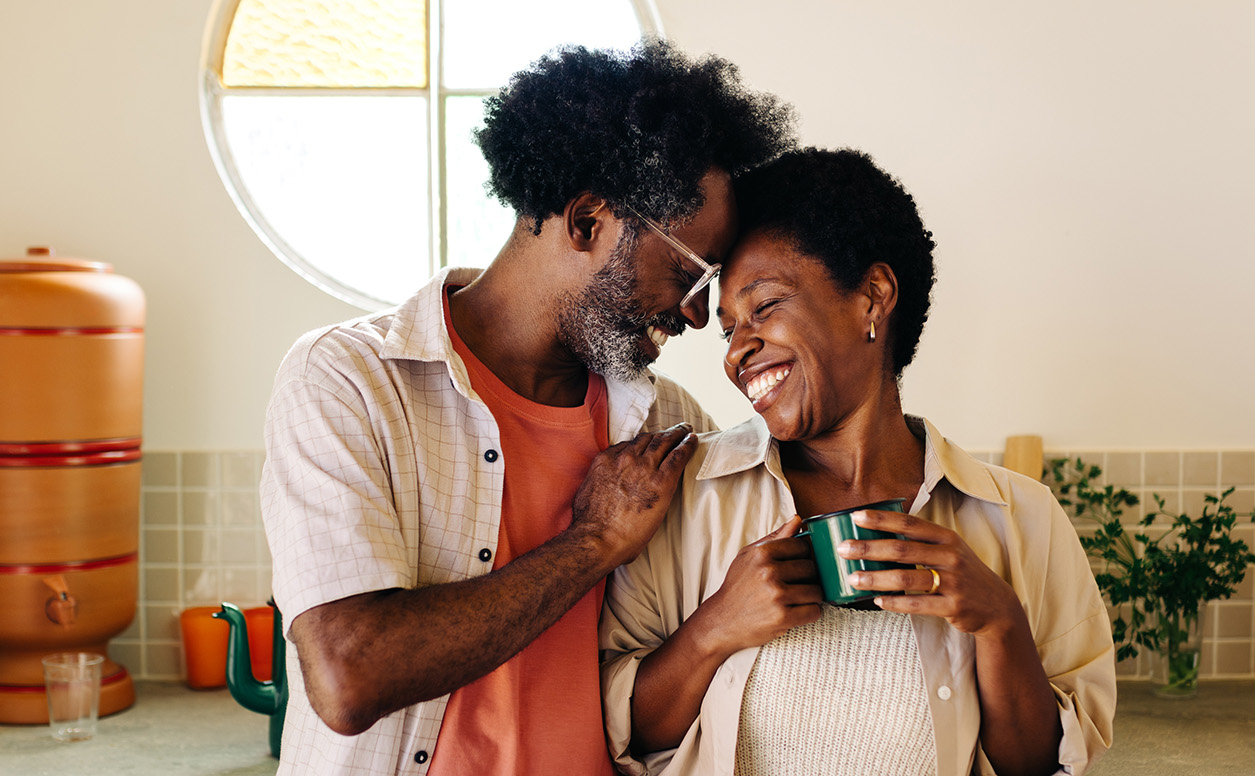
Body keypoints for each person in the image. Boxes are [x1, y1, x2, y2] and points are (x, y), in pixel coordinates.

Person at [259, 41, 795, 776]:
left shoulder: (666, 423)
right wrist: (593, 541)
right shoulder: (349, 380)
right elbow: (349, 676)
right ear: (587, 220)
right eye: (687, 274)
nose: (698, 316)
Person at [600, 148, 1115, 776]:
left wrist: (999, 622)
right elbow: (622, 735)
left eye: (765, 307)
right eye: (729, 329)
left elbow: (1037, 765)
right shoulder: (682, 499)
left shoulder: (1020, 519)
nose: (736, 352)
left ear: (873, 297)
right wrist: (713, 630)